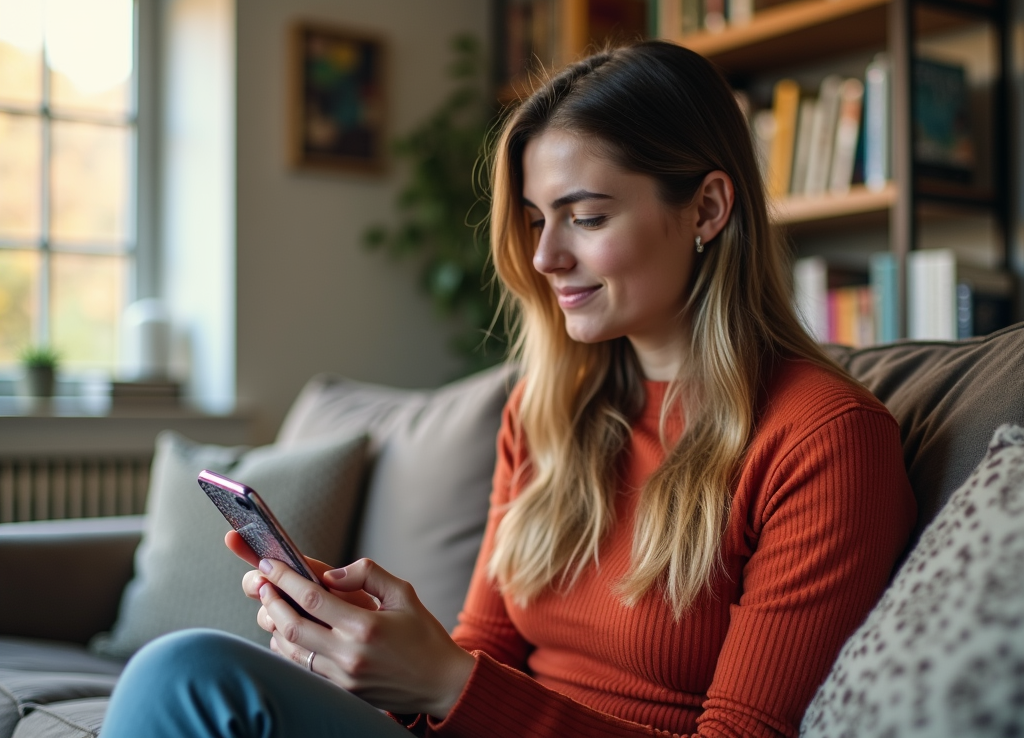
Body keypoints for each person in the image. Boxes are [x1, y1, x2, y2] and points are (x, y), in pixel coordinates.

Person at [102, 41, 916, 737]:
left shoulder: (824, 438)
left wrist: (448, 684)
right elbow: (484, 654)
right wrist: (380, 658)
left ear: (707, 207)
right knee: (193, 675)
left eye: (585, 217)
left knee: (186, 673)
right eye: (534, 219)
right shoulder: (548, 411)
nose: (544, 257)